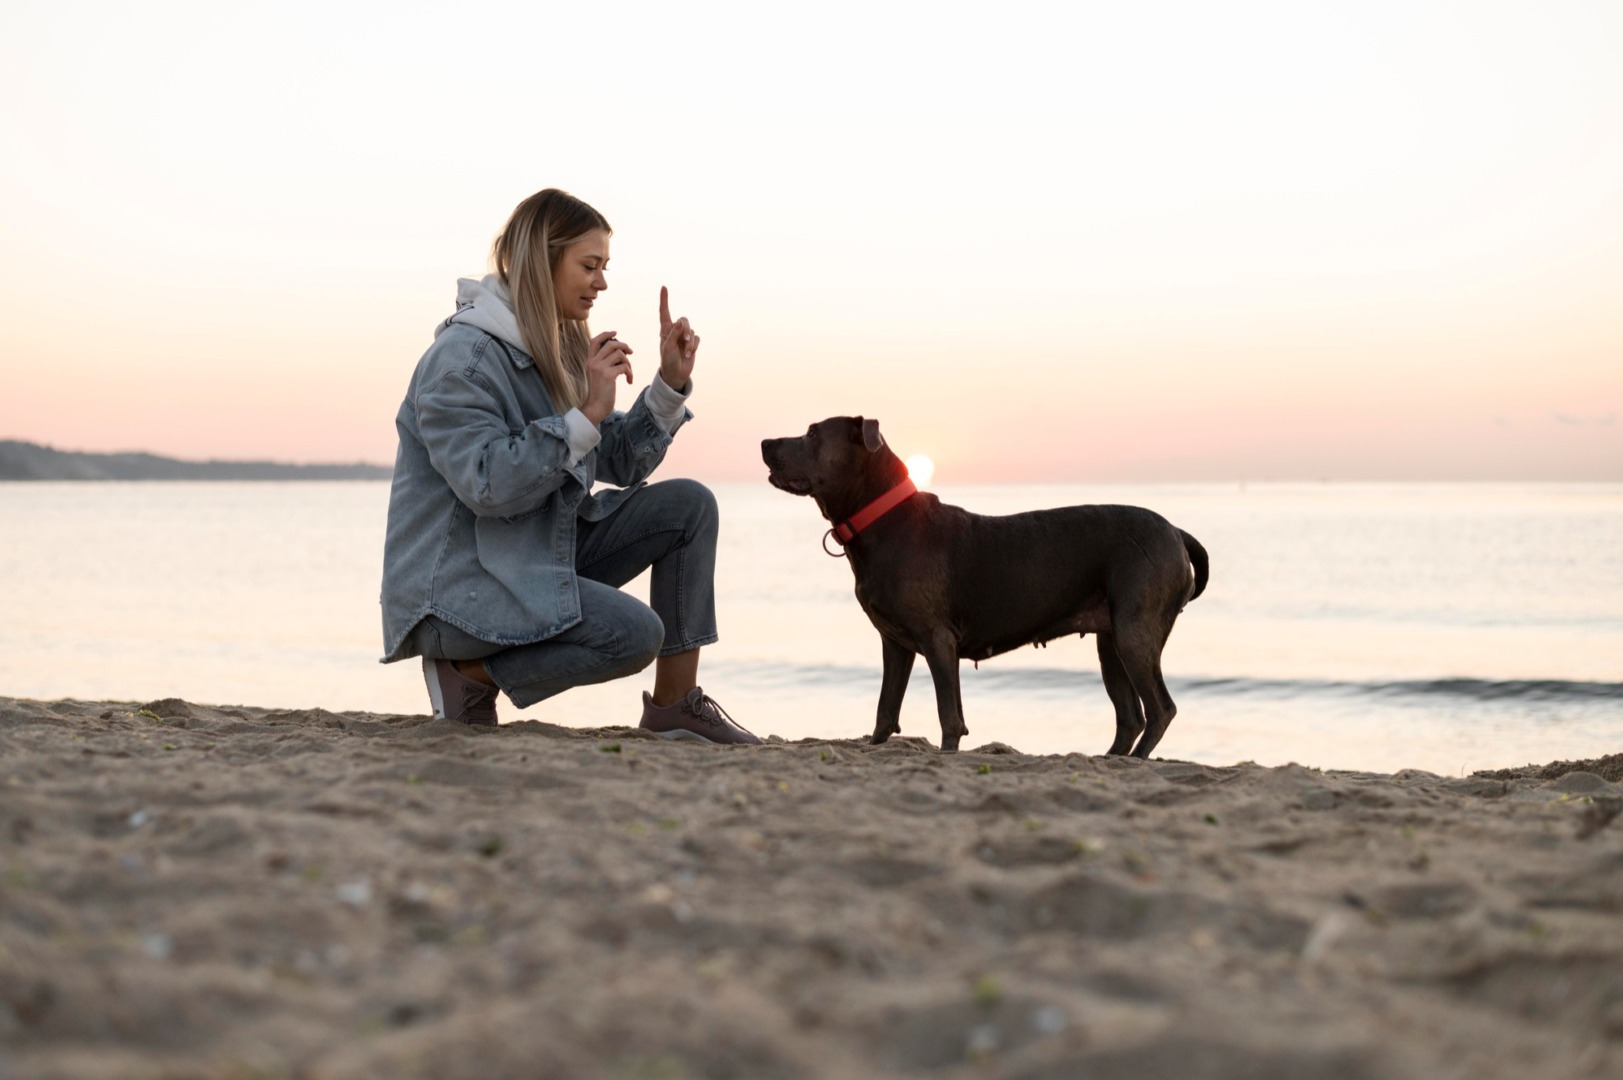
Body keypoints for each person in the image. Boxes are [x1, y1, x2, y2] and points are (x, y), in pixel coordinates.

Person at [379, 187, 758, 744]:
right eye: (589, 265)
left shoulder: (553, 347)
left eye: (605, 267)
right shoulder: (462, 361)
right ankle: (468, 675)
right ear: (541, 260)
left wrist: (668, 387)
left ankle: (676, 706)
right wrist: (582, 416)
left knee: (690, 506)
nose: (602, 283)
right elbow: (487, 484)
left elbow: (619, 460)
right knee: (632, 634)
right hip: (461, 591)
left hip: (529, 555)